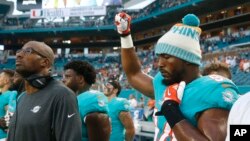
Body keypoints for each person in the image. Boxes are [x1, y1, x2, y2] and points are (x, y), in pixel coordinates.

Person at [115, 12, 240, 140]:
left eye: (166, 57)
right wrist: (125, 35)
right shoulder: (164, 83)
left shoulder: (211, 91)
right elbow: (133, 74)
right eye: (159, 57)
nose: (160, 64)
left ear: (187, 59)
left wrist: (172, 111)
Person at [7, 41, 82, 141]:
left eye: (28, 51)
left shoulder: (62, 95)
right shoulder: (22, 97)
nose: (19, 55)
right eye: (19, 51)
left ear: (45, 62)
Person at [62, 60, 111, 141]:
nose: (63, 80)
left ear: (80, 79)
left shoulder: (90, 100)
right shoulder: (73, 99)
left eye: (67, 76)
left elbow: (99, 120)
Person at [0, 69, 15, 140]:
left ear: (6, 80)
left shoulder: (10, 95)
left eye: (0, 77)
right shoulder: (1, 95)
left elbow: (10, 118)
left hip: (3, 136)